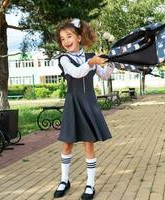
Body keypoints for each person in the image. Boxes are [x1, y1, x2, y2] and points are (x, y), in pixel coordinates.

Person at [54, 18, 114, 200]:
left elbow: (103, 76)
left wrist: (111, 63)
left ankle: (90, 184)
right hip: (73, 103)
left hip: (88, 103)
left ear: (79, 37)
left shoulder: (90, 57)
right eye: (62, 38)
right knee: (68, 143)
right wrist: (92, 62)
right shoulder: (64, 59)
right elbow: (77, 72)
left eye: (69, 36)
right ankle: (64, 180)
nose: (66, 41)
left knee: (88, 143)